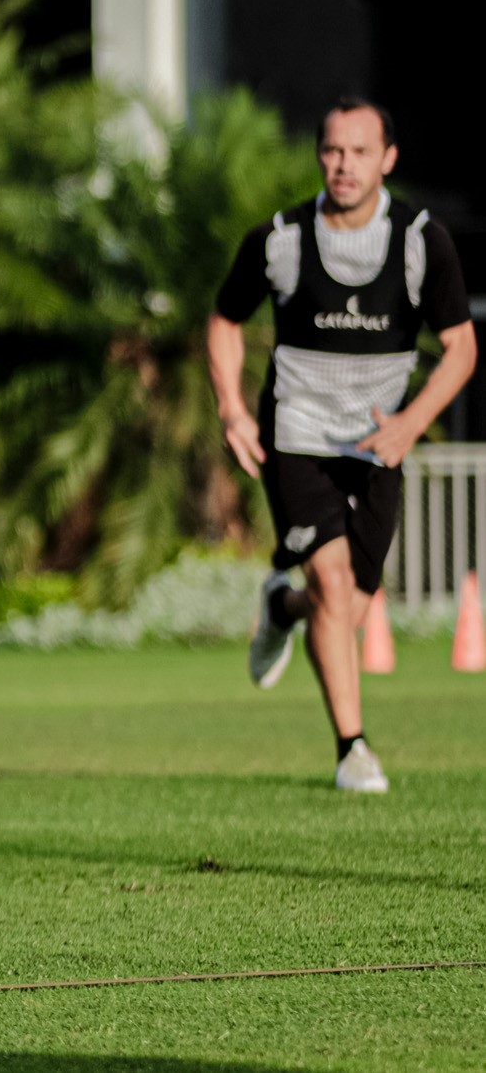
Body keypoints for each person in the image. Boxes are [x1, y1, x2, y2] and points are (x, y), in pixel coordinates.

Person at [211, 98, 473, 793]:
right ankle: (351, 750)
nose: (342, 165)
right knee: (331, 582)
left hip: (378, 441)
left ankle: (279, 609)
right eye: (331, 150)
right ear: (318, 154)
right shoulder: (280, 239)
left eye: (359, 152)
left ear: (387, 159)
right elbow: (223, 319)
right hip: (295, 432)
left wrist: (410, 423)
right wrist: (232, 408)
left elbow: (460, 350)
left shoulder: (422, 241)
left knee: (349, 604)